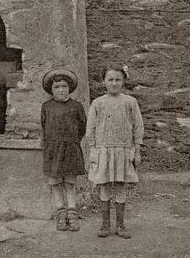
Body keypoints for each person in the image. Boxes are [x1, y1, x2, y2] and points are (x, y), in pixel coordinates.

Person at [87, 64, 144, 238]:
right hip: (103, 150)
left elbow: (138, 126)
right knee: (104, 186)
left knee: (120, 186)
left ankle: (120, 225)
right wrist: (93, 149)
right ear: (104, 81)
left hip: (123, 150)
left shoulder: (130, 102)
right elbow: (91, 128)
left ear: (123, 81)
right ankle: (105, 225)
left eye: (117, 80)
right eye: (110, 79)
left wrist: (137, 149)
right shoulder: (98, 103)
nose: (114, 83)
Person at [41, 68, 87, 232]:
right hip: (53, 150)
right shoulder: (46, 106)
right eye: (57, 87)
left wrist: (72, 142)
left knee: (69, 182)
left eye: (64, 86)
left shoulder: (76, 106)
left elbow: (82, 128)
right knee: (55, 182)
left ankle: (72, 213)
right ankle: (60, 213)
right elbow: (44, 127)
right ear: (51, 90)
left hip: (70, 149)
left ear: (69, 88)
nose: (61, 90)